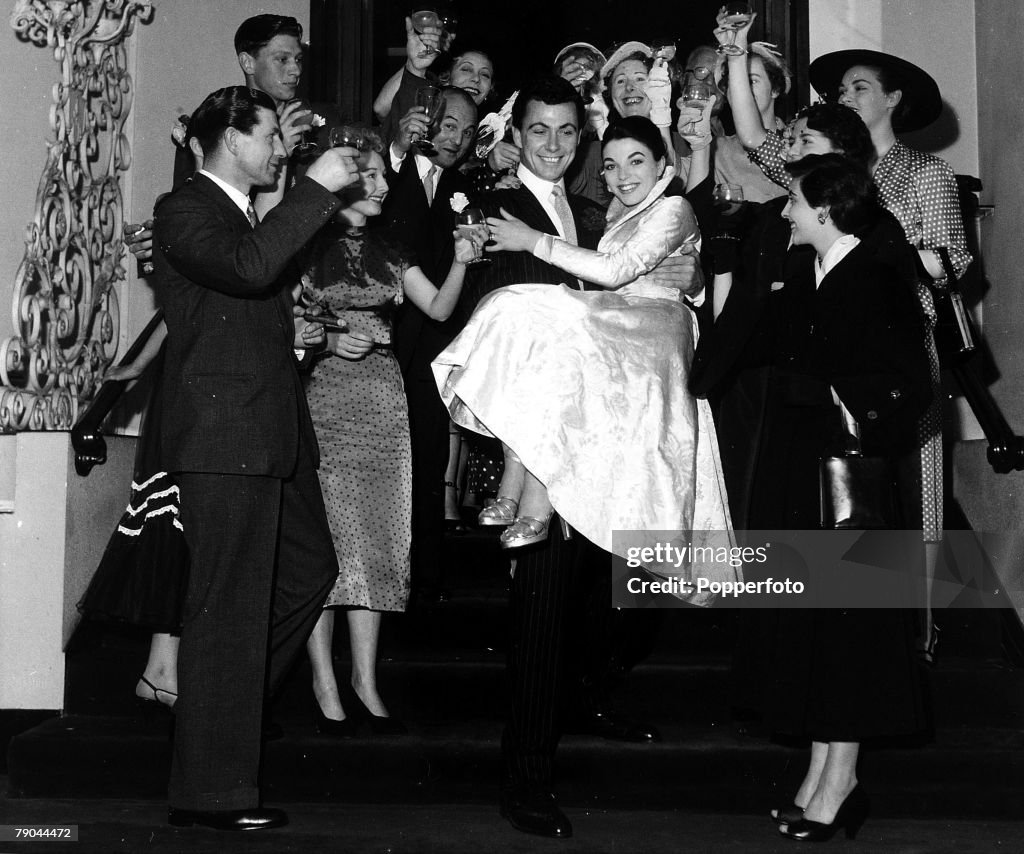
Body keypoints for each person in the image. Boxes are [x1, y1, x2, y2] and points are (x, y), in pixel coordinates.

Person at [438, 77, 702, 839]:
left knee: (607, 595)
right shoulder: (489, 213)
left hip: (610, 441)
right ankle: (525, 780)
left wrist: (695, 284)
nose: (552, 146)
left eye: (565, 133)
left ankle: (585, 701)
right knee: (540, 608)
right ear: (514, 136)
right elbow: (478, 322)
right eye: (538, 132)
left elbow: (642, 286)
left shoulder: (603, 215)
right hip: (536, 448)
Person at [152, 85, 360, 831]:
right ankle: (208, 789)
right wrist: (313, 190)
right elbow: (245, 269)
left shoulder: (239, 216)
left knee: (309, 572)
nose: (280, 150)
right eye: (270, 136)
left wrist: (297, 343)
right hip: (226, 440)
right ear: (230, 139)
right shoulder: (183, 209)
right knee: (228, 611)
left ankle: (215, 710)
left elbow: (241, 299)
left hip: (267, 433)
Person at [435, 116, 729, 558]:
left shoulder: (673, 207)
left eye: (635, 162)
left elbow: (615, 271)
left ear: (661, 164)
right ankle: (515, 485)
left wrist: (532, 240)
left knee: (534, 311)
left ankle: (534, 502)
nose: (622, 175)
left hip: (655, 327)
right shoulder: (615, 214)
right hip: (621, 319)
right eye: (610, 166)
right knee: (517, 313)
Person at [751, 154, 931, 841]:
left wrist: (842, 398)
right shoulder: (805, 277)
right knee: (820, 629)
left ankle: (841, 782)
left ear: (823, 210)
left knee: (850, 631)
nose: (786, 211)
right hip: (805, 475)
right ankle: (823, 773)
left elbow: (910, 384)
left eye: (792, 201)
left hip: (850, 479)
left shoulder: (880, 280)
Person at [300, 131, 482, 734]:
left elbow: (437, 310)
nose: (382, 185)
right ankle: (325, 682)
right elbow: (282, 324)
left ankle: (364, 680)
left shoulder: (392, 249)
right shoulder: (301, 246)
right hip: (323, 398)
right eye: (371, 176)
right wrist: (320, 337)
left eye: (381, 175)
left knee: (377, 539)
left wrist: (459, 260)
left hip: (383, 399)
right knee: (326, 545)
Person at [807, 49, 971, 663]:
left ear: (893, 98)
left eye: (860, 86)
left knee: (917, 486)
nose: (846, 95)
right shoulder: (823, 173)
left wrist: (892, 250)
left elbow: (953, 261)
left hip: (904, 348)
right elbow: (759, 146)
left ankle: (919, 633)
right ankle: (854, 632)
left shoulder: (925, 173)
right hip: (838, 355)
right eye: (841, 88)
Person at [382, 86, 478, 600]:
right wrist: (396, 152)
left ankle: (421, 588)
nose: (457, 141)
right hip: (379, 345)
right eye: (448, 127)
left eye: (466, 132)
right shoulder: (387, 170)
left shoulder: (461, 188)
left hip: (432, 350)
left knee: (426, 465)